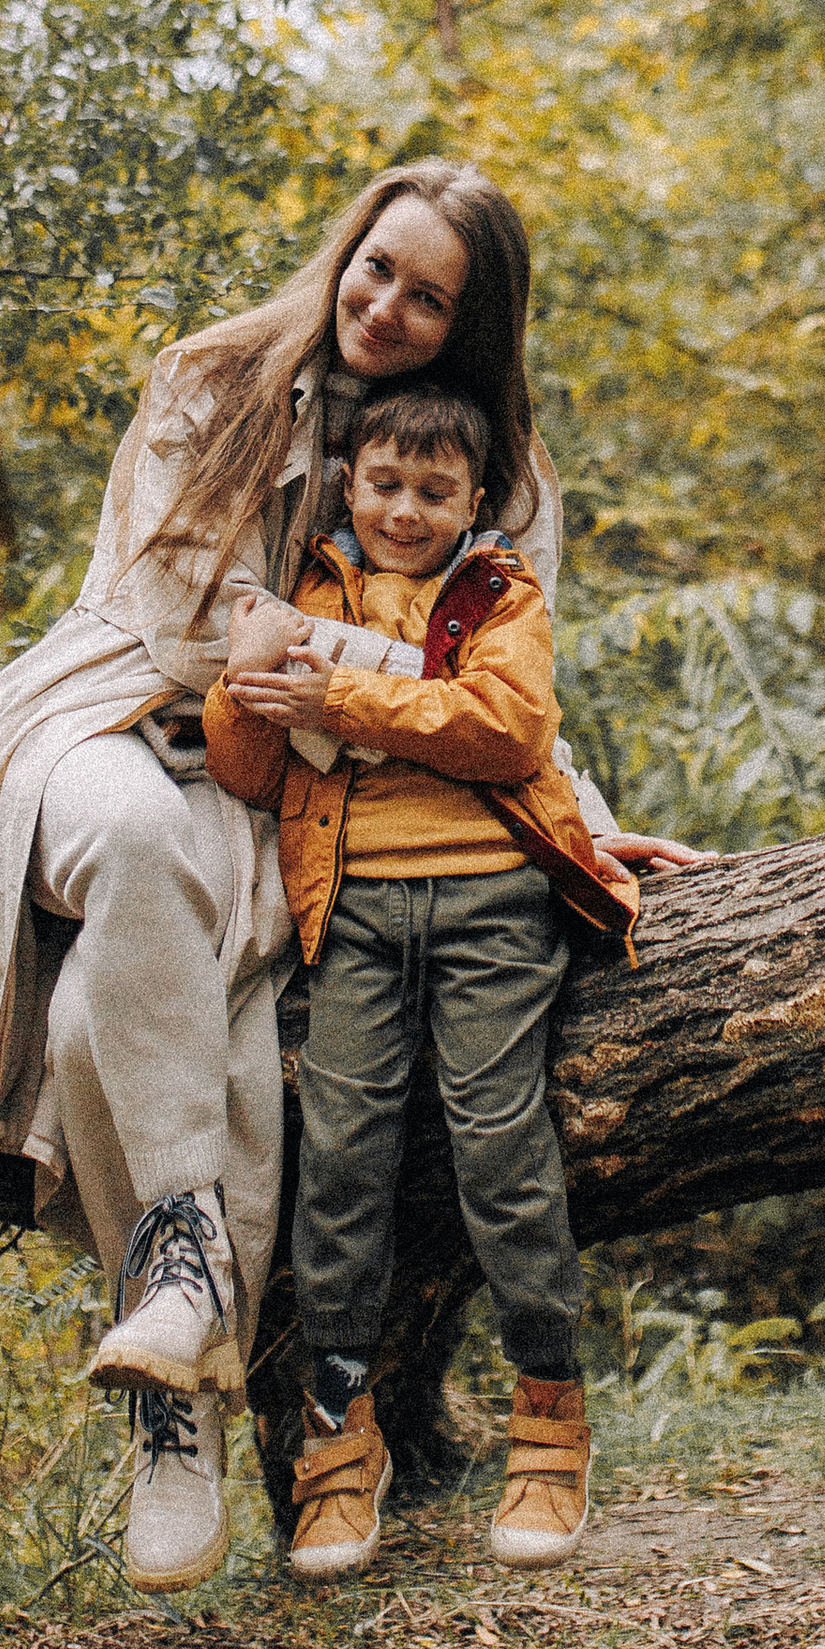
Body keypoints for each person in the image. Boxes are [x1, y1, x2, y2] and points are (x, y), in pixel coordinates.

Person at [0, 160, 700, 1594]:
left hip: (291, 779)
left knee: (90, 1031)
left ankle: (171, 1407)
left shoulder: (496, 467)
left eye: (429, 299)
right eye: (377, 268)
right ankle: (188, 1261)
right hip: (116, 719)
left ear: (471, 324)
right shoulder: (215, 380)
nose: (386, 307)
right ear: (346, 248)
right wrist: (381, 685)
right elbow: (196, 633)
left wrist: (569, 805)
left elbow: (503, 664)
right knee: (124, 837)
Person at [202, 381, 635, 1583]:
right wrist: (241, 681)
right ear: (349, 483)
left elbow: (508, 730)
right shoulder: (303, 593)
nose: (404, 509)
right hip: (352, 911)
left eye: (434, 491)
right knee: (341, 1158)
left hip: (493, 902)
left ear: (476, 501)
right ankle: (340, 1442)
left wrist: (337, 694)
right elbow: (245, 771)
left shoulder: (499, 594)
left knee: (499, 1143)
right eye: (385, 483)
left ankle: (549, 1418)